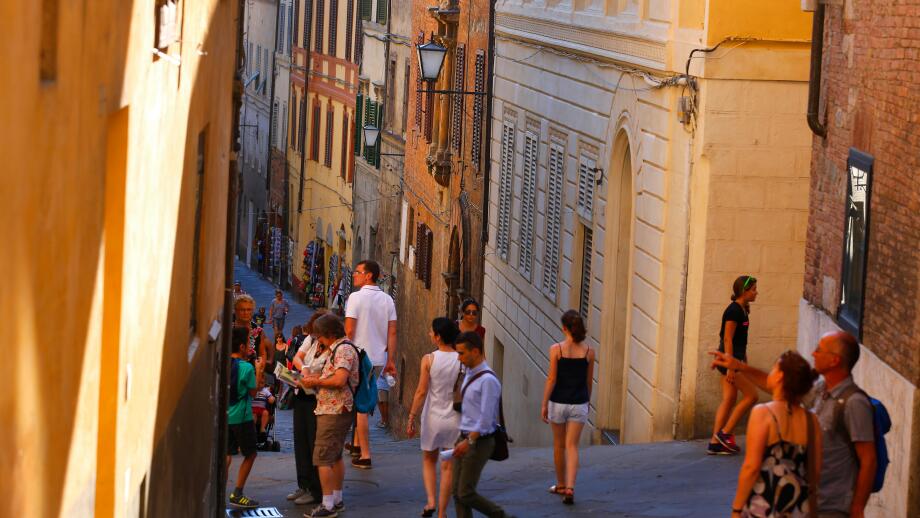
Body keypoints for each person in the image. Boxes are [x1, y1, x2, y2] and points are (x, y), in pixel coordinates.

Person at [712, 330, 877, 518]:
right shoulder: (821, 390)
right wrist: (740, 366)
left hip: (834, 505)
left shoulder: (854, 402)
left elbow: (868, 459)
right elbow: (783, 390)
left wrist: (857, 507)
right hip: (809, 503)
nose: (814, 354)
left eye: (819, 350)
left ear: (834, 360)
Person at [731, 351, 821, 517]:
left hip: (765, 503)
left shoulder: (763, 413)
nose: (769, 373)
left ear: (780, 376)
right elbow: (814, 472)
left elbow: (751, 467)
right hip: (799, 507)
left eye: (773, 369)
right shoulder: (812, 420)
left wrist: (736, 509)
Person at [298, 314, 360, 518]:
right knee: (335, 456)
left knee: (322, 457)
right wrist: (315, 378)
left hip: (334, 410)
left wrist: (315, 383)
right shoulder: (340, 348)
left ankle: (327, 505)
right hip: (334, 408)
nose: (319, 341)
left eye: (321, 336)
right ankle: (337, 499)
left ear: (329, 334)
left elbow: (340, 380)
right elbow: (332, 376)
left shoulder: (343, 350)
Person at [452, 331, 513, 518]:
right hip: (464, 438)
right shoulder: (469, 373)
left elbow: (487, 419)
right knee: (457, 492)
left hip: (478, 442)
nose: (459, 358)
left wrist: (468, 441)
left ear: (476, 351)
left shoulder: (488, 381)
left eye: (462, 353)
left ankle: (500, 515)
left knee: (465, 492)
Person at [344, 260, 397, 469]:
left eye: (357, 272)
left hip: (359, 357)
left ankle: (365, 455)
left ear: (368, 275)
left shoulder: (355, 298)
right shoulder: (387, 300)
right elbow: (392, 332)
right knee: (361, 400)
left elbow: (349, 331)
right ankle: (357, 444)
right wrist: (390, 360)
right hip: (377, 359)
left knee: (362, 407)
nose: (354, 275)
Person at [406, 318, 462, 518]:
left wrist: (412, 416)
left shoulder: (429, 359)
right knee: (448, 467)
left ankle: (430, 501)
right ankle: (443, 512)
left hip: (432, 417)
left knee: (429, 461)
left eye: (432, 332)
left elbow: (421, 391)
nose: (430, 334)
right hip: (455, 418)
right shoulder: (461, 359)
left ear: (438, 336)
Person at [540, 310, 594, 505]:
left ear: (564, 328)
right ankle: (570, 488)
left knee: (559, 445)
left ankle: (561, 484)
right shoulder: (589, 352)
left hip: (558, 402)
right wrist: (587, 401)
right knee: (572, 447)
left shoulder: (556, 349)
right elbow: (589, 382)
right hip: (579, 403)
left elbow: (552, 378)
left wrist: (544, 403)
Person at [709, 275, 759, 455]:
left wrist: (744, 360)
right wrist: (731, 366)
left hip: (735, 360)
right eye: (753, 289)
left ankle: (715, 443)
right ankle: (725, 433)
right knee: (752, 396)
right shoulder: (733, 311)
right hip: (729, 361)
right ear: (744, 291)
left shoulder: (743, 309)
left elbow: (740, 340)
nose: (756, 293)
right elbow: (728, 339)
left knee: (729, 399)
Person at [287, 311, 329, 506]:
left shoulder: (332, 349)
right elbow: (297, 357)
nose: (314, 336)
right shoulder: (311, 342)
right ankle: (303, 484)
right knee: (300, 441)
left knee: (313, 443)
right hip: (302, 394)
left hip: (316, 398)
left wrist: (312, 378)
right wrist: (303, 369)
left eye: (317, 333)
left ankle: (315, 489)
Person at [226, 326, 265, 509]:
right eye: (247, 343)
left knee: (226, 455)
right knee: (250, 454)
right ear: (241, 347)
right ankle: (238, 493)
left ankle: (219, 492)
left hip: (225, 417)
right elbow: (254, 391)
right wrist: (258, 370)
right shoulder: (246, 367)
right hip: (242, 418)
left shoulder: (222, 362)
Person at [235, 294, 271, 364]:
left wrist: (260, 370)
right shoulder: (229, 326)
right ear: (236, 310)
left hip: (252, 371)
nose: (246, 313)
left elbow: (262, 353)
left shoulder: (258, 331)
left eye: (249, 309)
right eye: (242, 309)